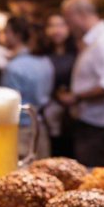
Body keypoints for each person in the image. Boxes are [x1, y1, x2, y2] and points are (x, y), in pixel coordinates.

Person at [59, 0, 104, 167]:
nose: (68, 24)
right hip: (97, 122)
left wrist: (76, 97)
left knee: (95, 180)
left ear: (80, 14)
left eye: (68, 18)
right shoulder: (99, 39)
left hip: (100, 124)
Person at [1, 16, 54, 159]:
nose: (4, 36)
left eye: (6, 32)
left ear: (17, 35)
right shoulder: (45, 60)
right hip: (40, 127)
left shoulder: (14, 67)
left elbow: (8, 107)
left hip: (21, 131)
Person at [42, 11, 77, 157]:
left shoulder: (78, 53)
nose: (56, 30)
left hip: (74, 112)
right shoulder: (42, 54)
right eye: (52, 25)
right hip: (49, 112)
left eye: (61, 25)